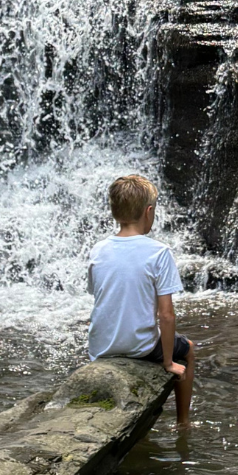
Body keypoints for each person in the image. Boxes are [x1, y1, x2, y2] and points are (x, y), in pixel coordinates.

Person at [87, 174, 195, 428]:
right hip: (140, 348)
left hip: (101, 348)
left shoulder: (98, 249)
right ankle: (183, 422)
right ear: (149, 212)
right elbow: (166, 315)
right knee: (188, 349)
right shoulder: (158, 252)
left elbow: (101, 296)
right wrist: (168, 362)